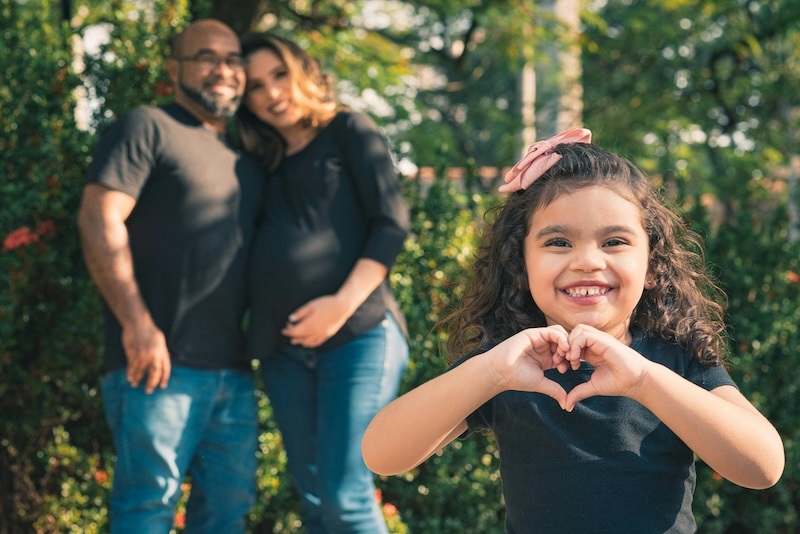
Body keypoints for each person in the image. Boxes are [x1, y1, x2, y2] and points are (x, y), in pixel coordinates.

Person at [362, 128, 785, 533]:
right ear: (520, 264)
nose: (587, 261)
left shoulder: (674, 361)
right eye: (558, 242)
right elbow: (382, 454)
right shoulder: (505, 365)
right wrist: (489, 373)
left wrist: (643, 380)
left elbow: (762, 467)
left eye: (614, 241)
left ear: (652, 266)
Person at [77, 19, 263, 533]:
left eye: (233, 59)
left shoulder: (245, 159)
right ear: (174, 69)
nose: (223, 70)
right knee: (146, 507)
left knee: (227, 512)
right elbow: (98, 217)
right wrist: (136, 324)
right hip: (155, 365)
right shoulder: (147, 127)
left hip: (233, 370)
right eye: (207, 57)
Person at [236, 32, 410, 533]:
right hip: (285, 350)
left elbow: (391, 223)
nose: (271, 93)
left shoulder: (348, 130)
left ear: (303, 72)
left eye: (278, 75)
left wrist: (339, 304)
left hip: (359, 332)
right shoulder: (259, 160)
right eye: (254, 86)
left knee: (344, 495)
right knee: (314, 498)